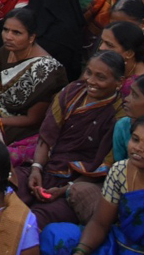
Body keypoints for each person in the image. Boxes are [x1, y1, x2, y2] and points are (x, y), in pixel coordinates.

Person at [39, 115, 144, 255]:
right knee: (55, 235)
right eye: (135, 139)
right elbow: (100, 222)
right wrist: (80, 253)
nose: (138, 148)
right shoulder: (120, 170)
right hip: (115, 241)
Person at [14, 51, 126, 228]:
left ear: (119, 82)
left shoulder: (119, 118)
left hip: (75, 184)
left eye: (100, 77)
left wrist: (63, 190)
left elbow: (105, 166)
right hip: (45, 169)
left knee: (34, 221)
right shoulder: (71, 91)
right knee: (3, 187)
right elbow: (47, 137)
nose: (90, 80)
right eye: (89, 72)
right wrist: (36, 169)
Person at [0, 9, 70, 146]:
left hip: (25, 128)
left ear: (31, 37)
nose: (8, 37)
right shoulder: (5, 52)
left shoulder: (48, 70)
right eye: (6, 30)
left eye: (16, 33)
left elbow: (33, 119)